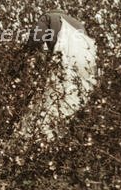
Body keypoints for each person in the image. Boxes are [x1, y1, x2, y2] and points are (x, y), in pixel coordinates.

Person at [18, 10, 97, 140]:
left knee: (52, 96)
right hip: (87, 62)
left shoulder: (47, 18)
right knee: (72, 98)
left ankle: (38, 136)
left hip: (67, 56)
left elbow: (35, 39)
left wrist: (24, 54)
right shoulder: (78, 25)